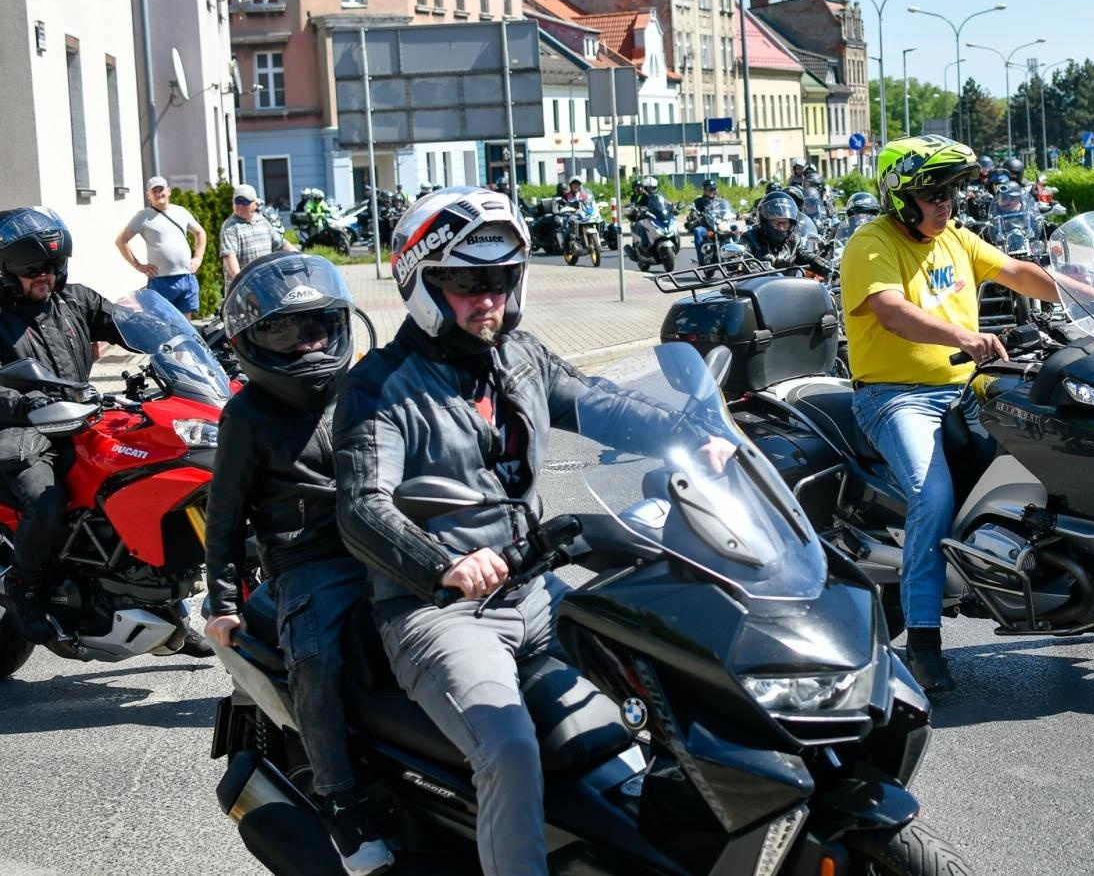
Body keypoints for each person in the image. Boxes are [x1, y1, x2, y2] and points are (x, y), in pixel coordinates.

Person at [333, 187, 728, 876]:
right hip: (442, 611)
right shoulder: (380, 387)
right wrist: (440, 566)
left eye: (500, 280)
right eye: (464, 283)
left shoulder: (520, 355)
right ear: (421, 283)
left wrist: (699, 434)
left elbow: (602, 403)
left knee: (676, 672)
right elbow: (362, 506)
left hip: (535, 589)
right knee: (508, 746)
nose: (487, 299)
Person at [838, 136, 1068, 693]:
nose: (947, 202)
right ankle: (922, 639)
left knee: (1058, 444)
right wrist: (968, 335)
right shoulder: (872, 244)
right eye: (933, 193)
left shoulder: (959, 239)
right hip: (896, 397)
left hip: (968, 386)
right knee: (932, 494)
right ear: (901, 197)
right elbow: (893, 313)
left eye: (952, 191)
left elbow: (1017, 272)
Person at [202, 252, 393, 876]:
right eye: (284, 331)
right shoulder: (247, 415)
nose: (306, 344)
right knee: (316, 657)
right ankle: (341, 803)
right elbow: (224, 516)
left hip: (385, 540)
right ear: (253, 342)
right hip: (307, 560)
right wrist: (224, 604)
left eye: (315, 327)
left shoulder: (363, 386)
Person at [0, 208, 141, 644]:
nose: (46, 275)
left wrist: (193, 341)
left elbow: (134, 325)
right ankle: (24, 585)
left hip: (80, 422)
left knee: (138, 478)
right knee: (46, 500)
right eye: (33, 269)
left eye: (52, 265)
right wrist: (26, 402)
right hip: (21, 434)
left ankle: (156, 594)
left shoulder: (76, 299)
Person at [114, 176, 207, 316]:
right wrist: (138, 266)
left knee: (186, 323)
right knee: (164, 323)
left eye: (161, 189)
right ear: (148, 195)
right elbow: (121, 241)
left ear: (168, 191)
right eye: (154, 191)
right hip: (161, 280)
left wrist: (198, 258)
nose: (159, 194)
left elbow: (200, 233)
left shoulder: (181, 212)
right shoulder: (143, 216)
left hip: (186, 276)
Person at [220, 183, 296, 288]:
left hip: (266, 286)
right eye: (237, 201)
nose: (240, 205)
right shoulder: (230, 227)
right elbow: (229, 257)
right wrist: (242, 281)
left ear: (254, 204)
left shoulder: (263, 221)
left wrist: (300, 257)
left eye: (244, 201)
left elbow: (281, 244)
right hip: (242, 291)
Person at [743, 190, 831, 275]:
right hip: (759, 288)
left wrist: (828, 268)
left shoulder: (794, 241)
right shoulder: (750, 238)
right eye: (776, 223)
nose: (781, 228)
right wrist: (753, 268)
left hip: (788, 288)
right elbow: (740, 257)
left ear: (792, 224)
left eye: (785, 223)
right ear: (765, 222)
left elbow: (807, 257)